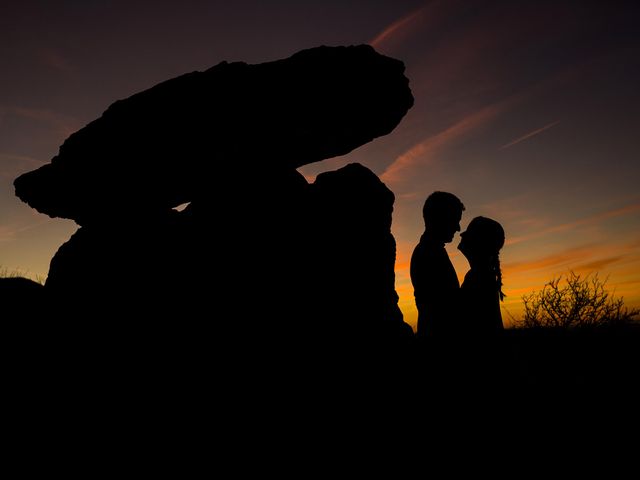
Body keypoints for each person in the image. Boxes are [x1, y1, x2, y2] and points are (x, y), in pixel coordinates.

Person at [456, 215, 507, 389]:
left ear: (479, 244)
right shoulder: (481, 274)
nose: (461, 237)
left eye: (468, 235)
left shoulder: (479, 277)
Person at [410, 191, 465, 342]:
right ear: (441, 218)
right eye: (455, 220)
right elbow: (444, 308)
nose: (458, 228)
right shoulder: (429, 253)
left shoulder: (432, 250)